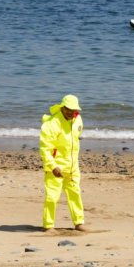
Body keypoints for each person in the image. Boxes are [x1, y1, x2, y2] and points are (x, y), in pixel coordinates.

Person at [40, 94, 87, 232]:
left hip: (72, 166)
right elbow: (45, 149)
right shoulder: (52, 124)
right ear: (62, 108)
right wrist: (53, 166)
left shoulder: (77, 119)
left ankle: (79, 223)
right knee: (52, 197)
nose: (71, 112)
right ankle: (48, 226)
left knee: (75, 193)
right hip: (56, 166)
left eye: (73, 110)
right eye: (68, 109)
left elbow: (76, 137)